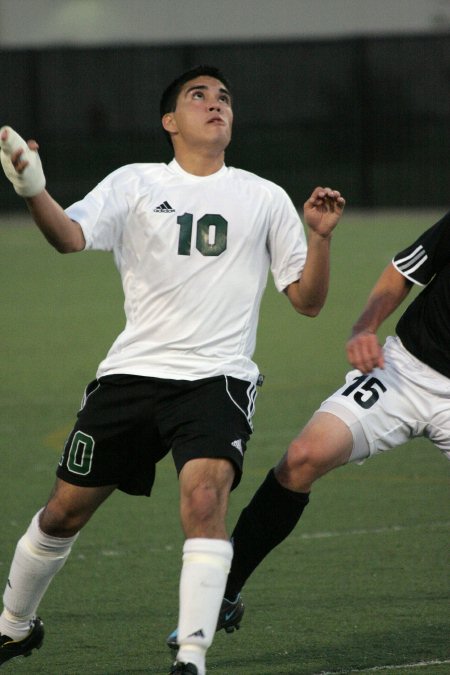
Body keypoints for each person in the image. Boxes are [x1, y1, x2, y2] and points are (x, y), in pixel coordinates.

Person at [0, 65, 345, 675]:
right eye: (199, 96)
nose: (216, 104)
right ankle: (12, 627)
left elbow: (308, 301)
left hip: (217, 380)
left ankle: (191, 657)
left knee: (205, 499)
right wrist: (33, 190)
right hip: (131, 376)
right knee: (62, 512)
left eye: (225, 98)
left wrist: (318, 239)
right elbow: (68, 237)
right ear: (170, 121)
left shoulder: (263, 196)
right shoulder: (134, 184)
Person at [168, 210, 449, 650]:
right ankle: (223, 593)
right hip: (404, 370)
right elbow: (403, 270)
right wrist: (364, 327)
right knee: (302, 458)